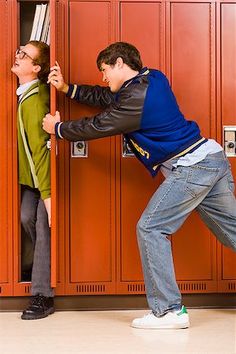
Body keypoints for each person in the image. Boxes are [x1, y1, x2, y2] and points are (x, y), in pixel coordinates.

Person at [43, 42, 236, 329]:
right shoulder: (152, 78)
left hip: (193, 167)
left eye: (105, 70)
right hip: (211, 158)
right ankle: (169, 309)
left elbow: (101, 124)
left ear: (120, 63)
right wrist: (68, 89)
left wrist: (58, 129)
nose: (103, 77)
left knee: (151, 227)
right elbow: (109, 97)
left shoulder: (135, 97)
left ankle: (169, 311)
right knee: (231, 229)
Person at [11, 40, 54, 320]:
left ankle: (42, 295)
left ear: (36, 68)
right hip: (31, 179)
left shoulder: (36, 98)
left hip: (44, 178)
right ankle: (45, 265)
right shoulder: (23, 94)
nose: (17, 55)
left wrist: (48, 194)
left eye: (23, 55)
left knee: (42, 224)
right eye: (19, 51)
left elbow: (39, 150)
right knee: (27, 217)